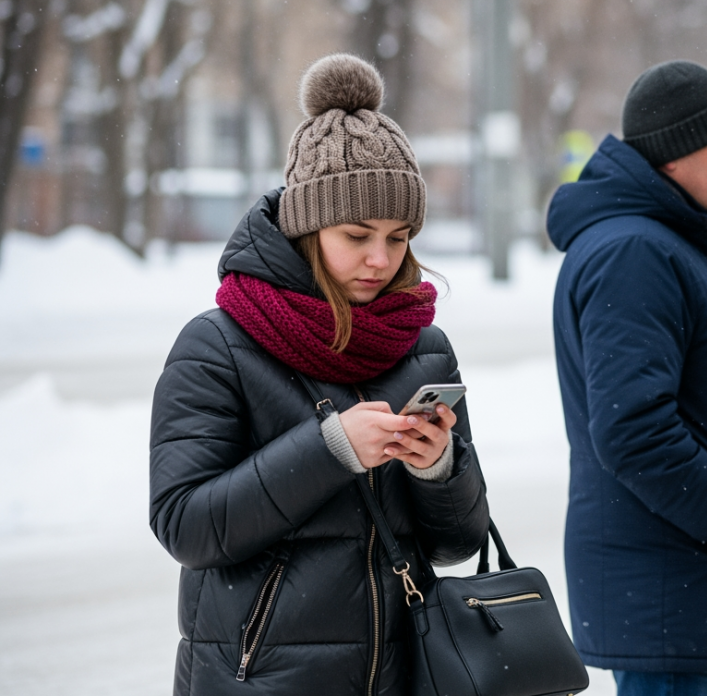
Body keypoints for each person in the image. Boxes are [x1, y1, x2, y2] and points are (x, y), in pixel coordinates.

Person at [149, 54, 489, 696]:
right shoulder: (219, 344)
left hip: (400, 677)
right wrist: (329, 451)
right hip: (259, 681)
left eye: (398, 236)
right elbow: (187, 526)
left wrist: (438, 468)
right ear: (307, 226)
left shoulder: (424, 348)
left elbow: (457, 545)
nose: (380, 259)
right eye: (356, 233)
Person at [547, 60, 707, 696]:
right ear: (674, 156)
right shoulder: (636, 252)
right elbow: (634, 430)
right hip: (670, 581)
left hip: (678, 583)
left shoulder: (659, 240)